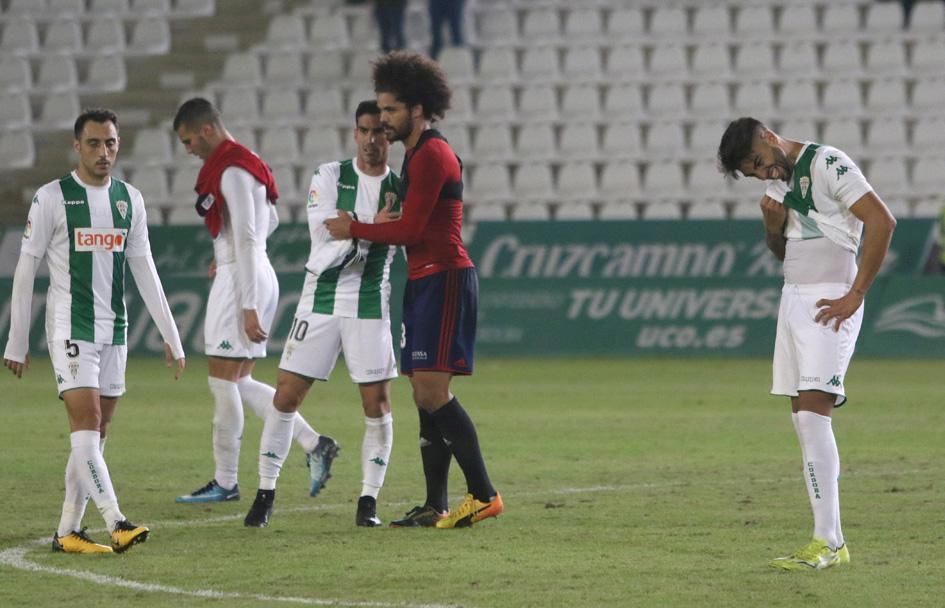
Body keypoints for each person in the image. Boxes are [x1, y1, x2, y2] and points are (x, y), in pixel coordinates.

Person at [326, 51, 503, 529]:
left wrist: (356, 227)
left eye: (391, 110)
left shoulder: (432, 155)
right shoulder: (415, 154)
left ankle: (484, 494)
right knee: (422, 392)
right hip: (424, 279)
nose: (383, 120)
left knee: (431, 389)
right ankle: (435, 504)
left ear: (418, 109)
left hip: (444, 277)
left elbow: (411, 231)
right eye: (380, 111)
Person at [3, 108, 186, 554]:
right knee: (86, 423)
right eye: (93, 143)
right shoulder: (52, 198)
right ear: (76, 146)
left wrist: (171, 335)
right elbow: (26, 269)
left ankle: (67, 530)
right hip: (70, 325)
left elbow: (145, 270)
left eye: (110, 143)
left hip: (115, 329)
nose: (103, 152)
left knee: (96, 435)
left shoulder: (130, 200)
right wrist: (17, 338)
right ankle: (116, 520)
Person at [717, 117, 896, 570]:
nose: (763, 174)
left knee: (815, 418)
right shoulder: (781, 183)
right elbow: (784, 250)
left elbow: (882, 221)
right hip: (794, 299)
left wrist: (855, 294)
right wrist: (772, 227)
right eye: (753, 172)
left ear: (770, 138)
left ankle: (828, 543)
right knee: (803, 419)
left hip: (829, 299)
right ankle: (832, 540)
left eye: (759, 162)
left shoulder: (827, 163)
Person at [172, 98, 338, 505]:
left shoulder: (230, 170)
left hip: (242, 279)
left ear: (207, 129)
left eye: (189, 139)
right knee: (239, 379)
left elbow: (247, 235)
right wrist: (226, 250)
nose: (188, 148)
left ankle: (225, 482)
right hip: (251, 271)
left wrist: (245, 300)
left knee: (221, 380)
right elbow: (269, 222)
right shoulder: (247, 163)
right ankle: (314, 444)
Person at [243, 101, 401, 528]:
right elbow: (326, 230)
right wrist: (374, 225)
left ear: (390, 137)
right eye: (364, 131)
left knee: (377, 403)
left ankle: (368, 501)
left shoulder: (401, 187)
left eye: (380, 132)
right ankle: (265, 492)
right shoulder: (330, 175)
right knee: (286, 395)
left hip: (370, 300)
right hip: (321, 296)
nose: (372, 140)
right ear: (355, 134)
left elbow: (370, 231)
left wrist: (358, 225)